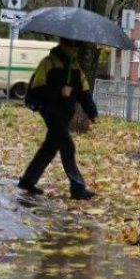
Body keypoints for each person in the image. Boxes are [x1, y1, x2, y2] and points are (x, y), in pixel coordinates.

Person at [17, 39, 98, 200]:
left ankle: (27, 180)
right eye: (72, 46)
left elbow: (83, 92)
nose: (75, 50)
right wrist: (59, 91)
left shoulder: (75, 67)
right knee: (68, 147)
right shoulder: (48, 63)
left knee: (49, 149)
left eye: (77, 47)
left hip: (65, 114)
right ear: (63, 44)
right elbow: (36, 90)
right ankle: (77, 187)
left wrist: (91, 112)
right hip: (51, 112)